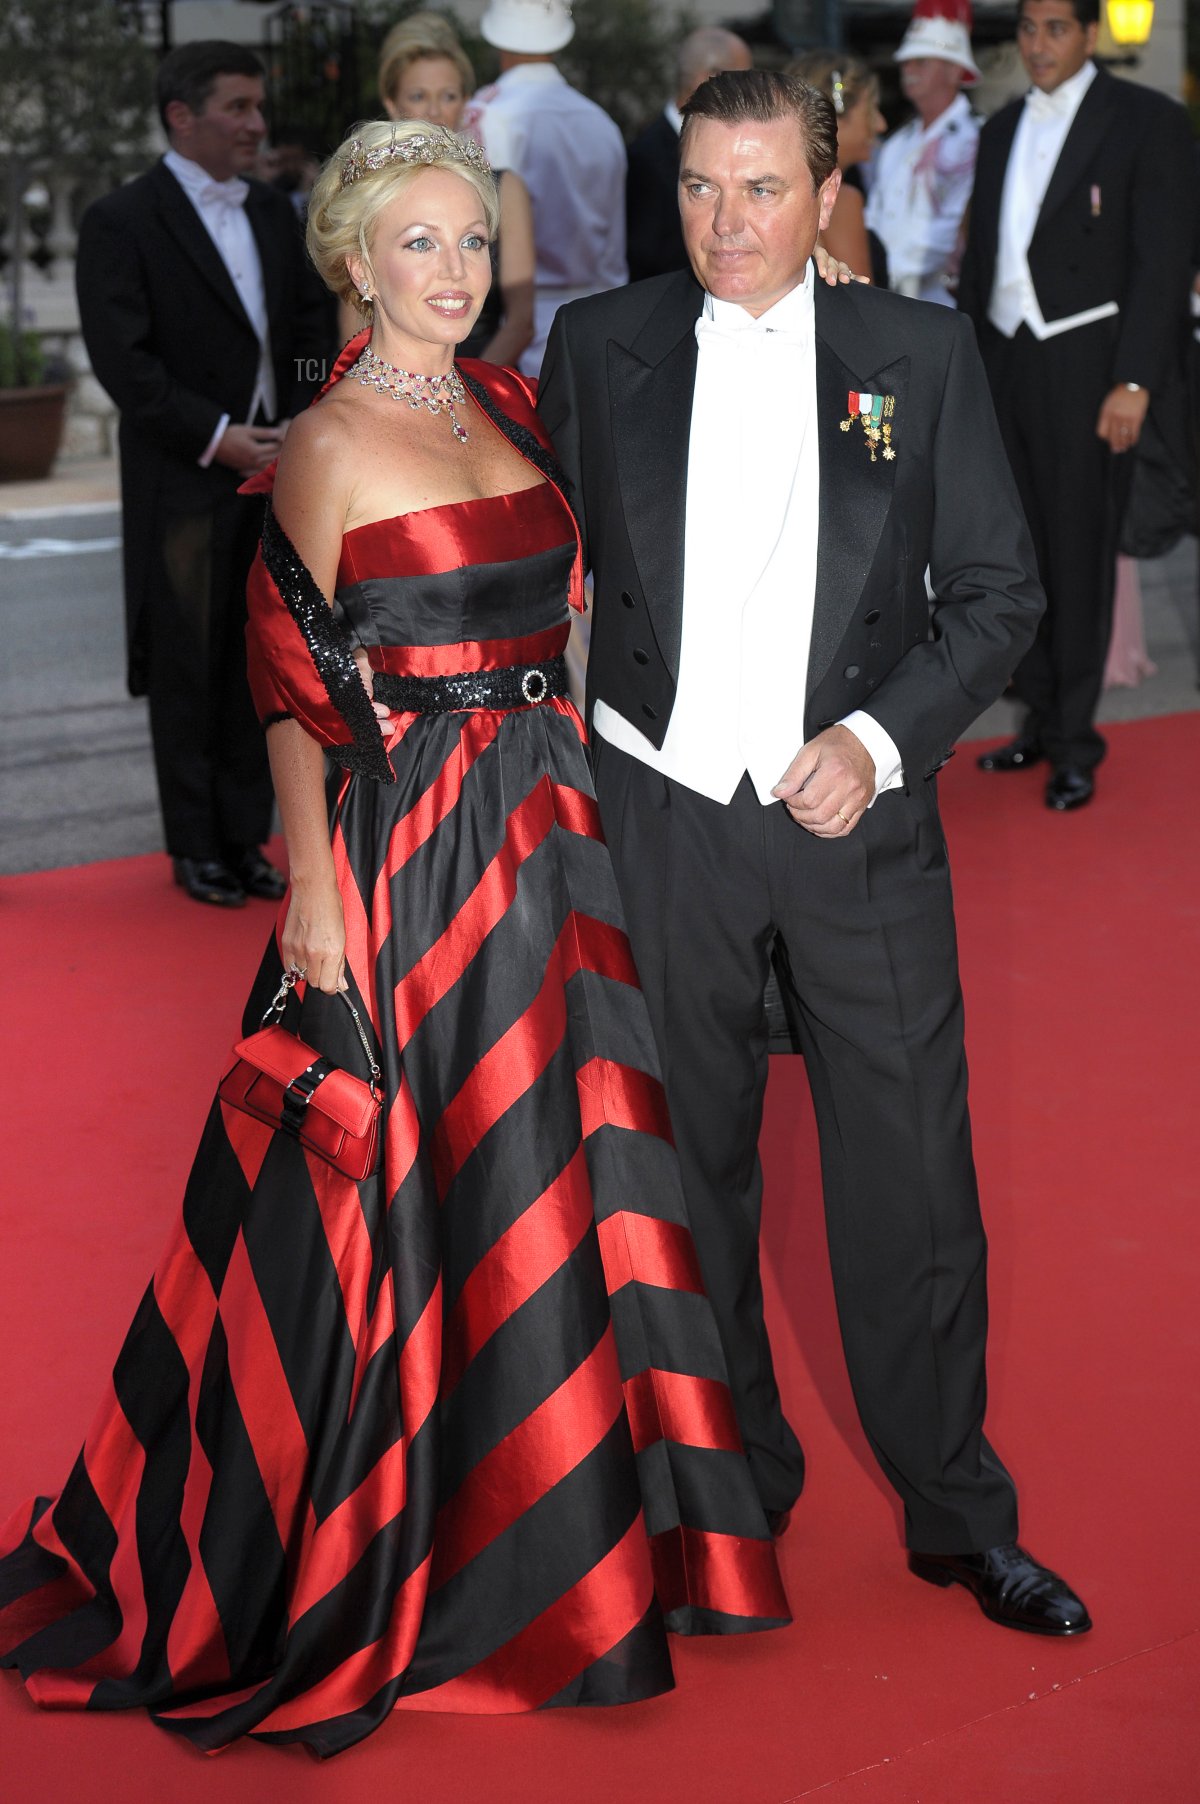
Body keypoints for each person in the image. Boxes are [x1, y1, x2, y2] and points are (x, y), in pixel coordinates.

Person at [0, 119, 787, 1758]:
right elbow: (293, 688)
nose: (455, 272)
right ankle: (422, 1539)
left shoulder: (501, 398)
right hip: (416, 847)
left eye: (473, 243)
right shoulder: (326, 443)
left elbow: (564, 623)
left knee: (566, 1165)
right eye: (418, 244)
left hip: (549, 832)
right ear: (355, 260)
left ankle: (579, 1517)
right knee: (427, 1182)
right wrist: (311, 895)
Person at [540, 69, 1091, 1637]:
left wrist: (876, 742)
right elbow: (517, 527)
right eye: (704, 188)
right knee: (689, 1178)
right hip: (661, 815)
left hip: (859, 821)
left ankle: (955, 1511)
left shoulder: (917, 352)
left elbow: (998, 592)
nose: (728, 223)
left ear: (827, 190)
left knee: (911, 1176)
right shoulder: (599, 346)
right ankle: (731, 1492)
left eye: (764, 189)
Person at [75, 41, 331, 907]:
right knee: (188, 664)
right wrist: (217, 435)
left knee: (260, 660)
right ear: (181, 117)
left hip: (276, 471)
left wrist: (303, 416)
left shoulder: (273, 209)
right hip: (184, 478)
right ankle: (196, 850)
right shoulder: (120, 220)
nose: (258, 125)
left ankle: (246, 842)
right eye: (237, 108)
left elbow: (306, 326)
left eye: (258, 107)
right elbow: (124, 360)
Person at [957, 0, 1195, 810]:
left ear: (1090, 34)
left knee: (1080, 555)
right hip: (1004, 358)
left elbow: (1164, 262)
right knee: (1016, 556)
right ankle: (1037, 715)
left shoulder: (1146, 120)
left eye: (1055, 27)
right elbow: (983, 260)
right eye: (1027, 28)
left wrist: (1134, 382)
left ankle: (1075, 742)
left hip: (1091, 366)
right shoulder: (997, 130)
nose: (1037, 44)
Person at [464, 0, 626, 375]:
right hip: (601, 324)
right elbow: (615, 246)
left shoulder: (488, 114)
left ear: (498, 37)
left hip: (515, 333)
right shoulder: (600, 121)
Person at [377, 10, 535, 365]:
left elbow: (521, 322)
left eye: (448, 96)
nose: (434, 111)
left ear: (466, 103)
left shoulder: (504, 188)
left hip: (483, 380)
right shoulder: (371, 196)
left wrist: (467, 397)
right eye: (418, 96)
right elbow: (354, 328)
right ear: (391, 103)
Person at [864, 0, 981, 305]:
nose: (909, 70)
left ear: (955, 70)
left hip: (940, 304)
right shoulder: (895, 144)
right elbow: (874, 218)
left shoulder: (977, 140)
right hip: (885, 297)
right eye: (906, 62)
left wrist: (890, 272)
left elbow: (957, 227)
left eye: (921, 62)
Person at [626, 26, 753, 284]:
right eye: (744, 80)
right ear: (711, 77)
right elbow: (644, 255)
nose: (751, 92)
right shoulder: (647, 156)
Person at [788, 50, 888, 286]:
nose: (881, 124)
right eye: (871, 110)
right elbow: (862, 304)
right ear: (836, 118)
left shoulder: (782, 191)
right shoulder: (839, 198)